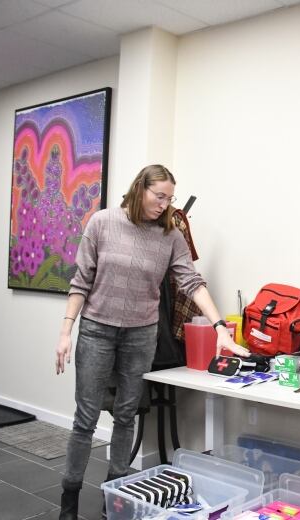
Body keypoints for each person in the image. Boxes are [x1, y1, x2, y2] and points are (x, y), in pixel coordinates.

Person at [54, 164, 248, 520]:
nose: (165, 205)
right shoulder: (102, 223)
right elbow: (81, 282)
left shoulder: (170, 236)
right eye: (160, 196)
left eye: (170, 199)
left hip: (141, 335)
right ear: (140, 188)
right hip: (97, 329)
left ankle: (114, 497)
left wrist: (220, 325)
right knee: (85, 418)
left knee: (127, 415)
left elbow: (192, 281)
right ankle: (69, 498)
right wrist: (66, 331)